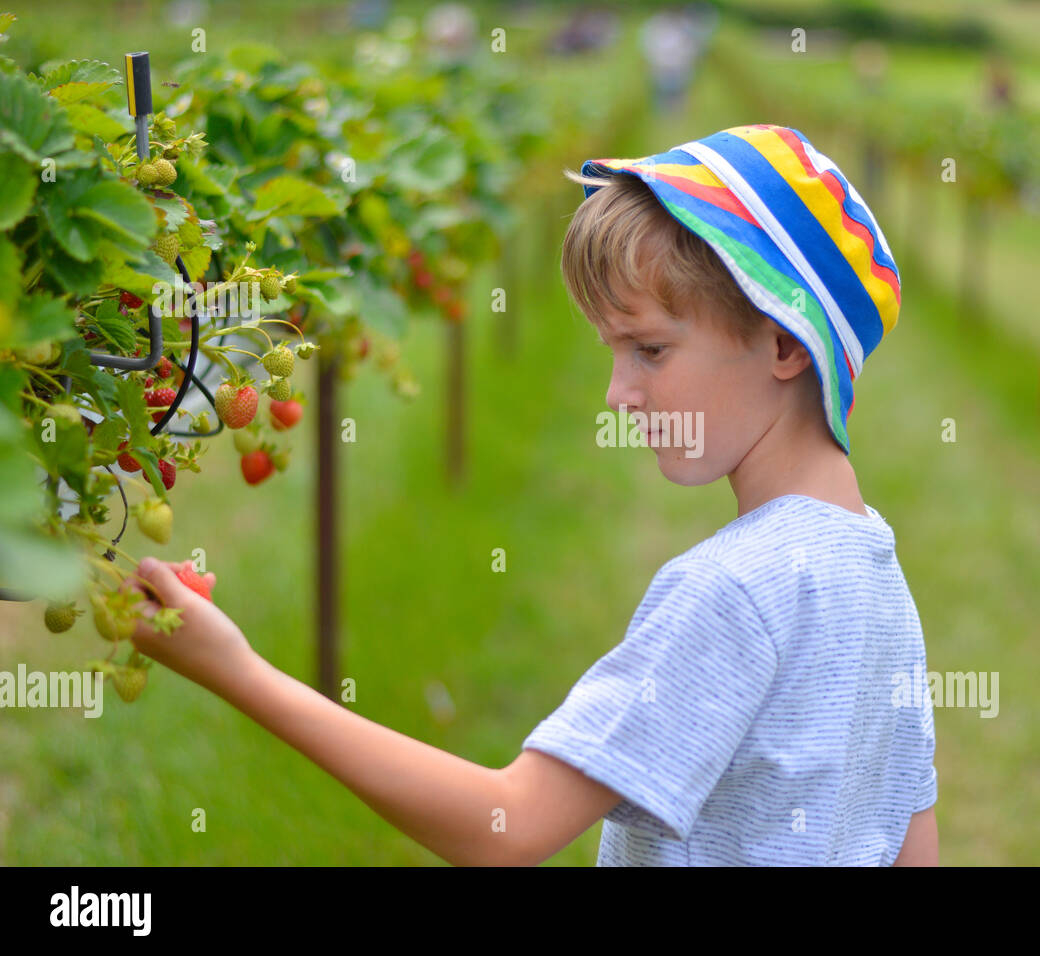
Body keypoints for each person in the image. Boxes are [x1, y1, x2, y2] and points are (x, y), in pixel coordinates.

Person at [123, 123, 938, 867]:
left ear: (786, 343)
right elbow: (911, 844)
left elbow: (507, 824)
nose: (620, 393)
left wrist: (233, 669)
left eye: (650, 349)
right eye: (613, 351)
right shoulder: (876, 565)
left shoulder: (732, 592)